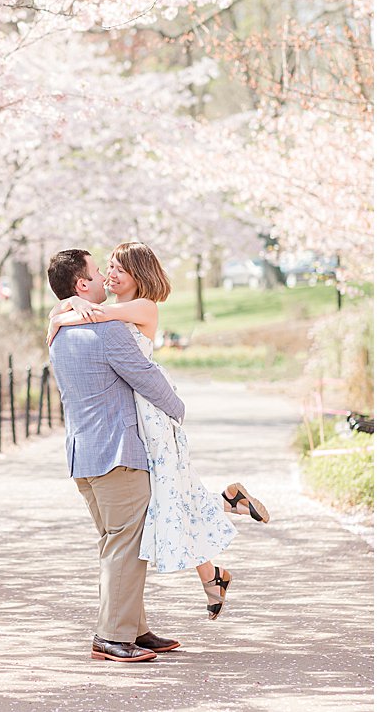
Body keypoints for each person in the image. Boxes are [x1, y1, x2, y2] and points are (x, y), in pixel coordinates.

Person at [48, 242, 271, 618]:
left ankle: (220, 535)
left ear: (140, 275)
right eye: (108, 267)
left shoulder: (142, 307)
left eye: (120, 269)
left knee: (167, 493)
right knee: (166, 496)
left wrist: (68, 309)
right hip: (133, 405)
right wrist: (70, 306)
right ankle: (219, 541)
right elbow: (76, 315)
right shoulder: (106, 311)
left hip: (151, 408)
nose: (110, 274)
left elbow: (86, 316)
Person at [44, 248, 188, 662]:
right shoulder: (106, 331)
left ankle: (135, 628)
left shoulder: (57, 329)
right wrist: (179, 410)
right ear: (81, 285)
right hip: (118, 454)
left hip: (83, 455)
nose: (104, 277)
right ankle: (111, 636)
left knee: (116, 542)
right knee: (125, 544)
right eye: (96, 272)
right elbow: (146, 377)